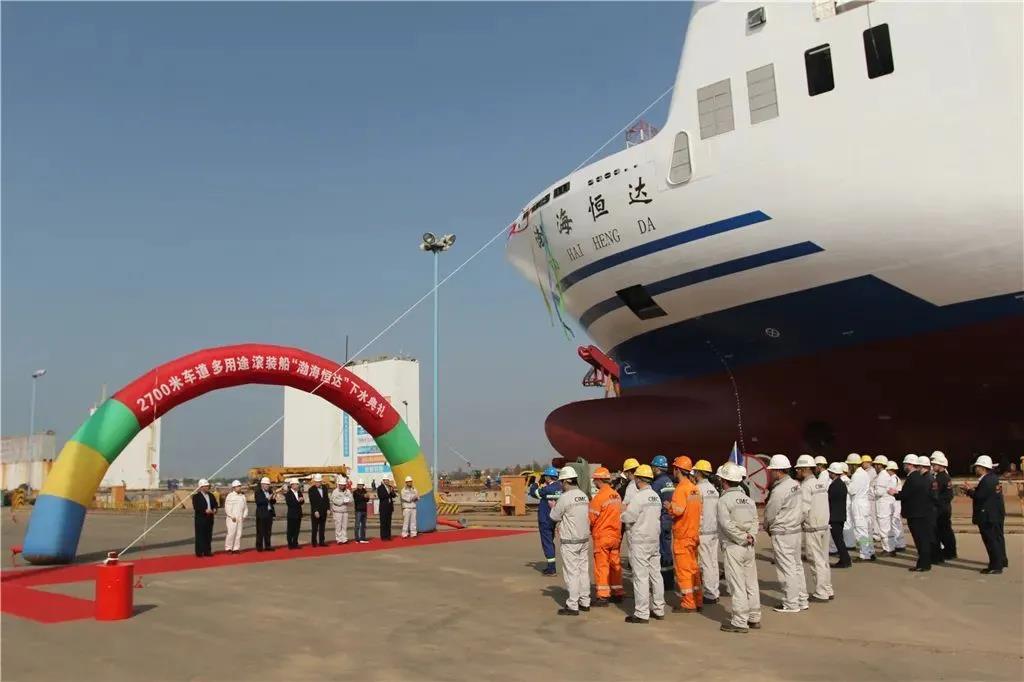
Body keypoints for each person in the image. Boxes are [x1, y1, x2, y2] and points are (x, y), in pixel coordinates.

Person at [716, 462, 761, 633]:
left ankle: (740, 621)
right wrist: (751, 536)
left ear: (724, 481)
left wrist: (741, 538)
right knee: (751, 582)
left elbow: (726, 525)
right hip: (749, 546)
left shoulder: (724, 500)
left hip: (734, 546)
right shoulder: (748, 500)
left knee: (737, 585)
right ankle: (754, 617)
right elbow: (755, 520)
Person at [621, 464, 665, 623]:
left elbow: (629, 517)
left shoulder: (638, 497)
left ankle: (641, 612)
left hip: (640, 541)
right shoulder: (655, 497)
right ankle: (659, 609)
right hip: (654, 540)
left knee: (641, 577)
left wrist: (622, 514)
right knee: (656, 575)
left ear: (638, 479)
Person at [764, 455, 808, 613]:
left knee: (786, 569)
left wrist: (767, 526)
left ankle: (791, 603)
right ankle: (802, 599)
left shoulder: (779, 490)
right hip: (795, 530)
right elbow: (803, 507)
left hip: (782, 532)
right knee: (796, 567)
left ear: (777, 471)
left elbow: (771, 512)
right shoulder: (795, 485)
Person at [550, 466, 592, 616]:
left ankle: (573, 604)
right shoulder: (583, 495)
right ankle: (585, 601)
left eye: (562, 482)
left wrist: (553, 506)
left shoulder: (565, 497)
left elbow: (554, 516)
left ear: (566, 481)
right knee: (583, 571)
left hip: (570, 540)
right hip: (584, 538)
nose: (561, 485)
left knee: (571, 573)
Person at [668, 456, 703, 612]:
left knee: (683, 571)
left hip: (683, 535)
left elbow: (678, 510)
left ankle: (688, 603)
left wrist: (669, 506)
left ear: (677, 470)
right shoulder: (695, 488)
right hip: (693, 534)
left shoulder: (681, 489)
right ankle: (698, 600)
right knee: (694, 569)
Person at [795, 455, 832, 602]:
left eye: (798, 469)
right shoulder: (820, 484)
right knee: (824, 560)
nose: (796, 471)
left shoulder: (805, 486)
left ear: (804, 469)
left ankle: (821, 592)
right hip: (824, 526)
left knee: (816, 561)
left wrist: (795, 523)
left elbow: (804, 509)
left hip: (813, 529)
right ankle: (828, 589)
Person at [962, 455, 1007, 574]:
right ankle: (1002, 560)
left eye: (977, 467)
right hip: (995, 514)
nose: (975, 469)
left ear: (982, 468)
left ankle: (996, 566)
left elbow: (979, 496)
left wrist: (969, 491)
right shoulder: (992, 478)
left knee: (991, 540)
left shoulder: (987, 480)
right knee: (998, 538)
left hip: (988, 516)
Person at [588, 467, 623, 606]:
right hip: (615, 536)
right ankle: (617, 592)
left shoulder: (599, 497)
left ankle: (603, 596)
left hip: (602, 536)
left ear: (598, 480)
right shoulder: (616, 495)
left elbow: (591, 518)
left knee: (602, 566)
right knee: (615, 565)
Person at [891, 455, 931, 571]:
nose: (904, 467)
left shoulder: (912, 478)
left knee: (920, 539)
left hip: (915, 513)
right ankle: (924, 563)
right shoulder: (920, 477)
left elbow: (905, 495)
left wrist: (894, 493)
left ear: (909, 465)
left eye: (905, 464)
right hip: (921, 512)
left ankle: (923, 564)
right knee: (922, 539)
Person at [693, 459, 721, 604]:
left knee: (705, 563)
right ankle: (715, 591)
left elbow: (696, 512)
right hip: (714, 530)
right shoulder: (714, 490)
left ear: (698, 473)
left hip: (703, 531)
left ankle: (709, 593)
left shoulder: (698, 489)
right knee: (713, 562)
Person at [528, 467, 561, 575]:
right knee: (550, 542)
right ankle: (551, 566)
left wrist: (536, 483)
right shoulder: (560, 487)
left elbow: (533, 493)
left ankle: (551, 569)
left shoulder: (547, 489)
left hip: (545, 519)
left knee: (547, 543)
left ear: (547, 477)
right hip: (554, 519)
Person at [650, 454, 676, 592]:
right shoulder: (669, 481)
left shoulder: (657, 484)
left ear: (657, 468)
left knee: (661, 551)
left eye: (653, 467)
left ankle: (665, 582)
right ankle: (670, 580)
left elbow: (652, 501)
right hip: (668, 519)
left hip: (661, 520)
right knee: (667, 550)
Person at [846, 453, 876, 562]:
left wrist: (847, 483)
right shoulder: (864, 473)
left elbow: (852, 490)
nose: (848, 467)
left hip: (858, 503)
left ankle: (864, 554)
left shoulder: (856, 475)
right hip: (865, 503)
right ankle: (870, 551)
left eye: (849, 465)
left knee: (860, 531)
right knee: (867, 530)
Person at [930, 451, 957, 560]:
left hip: (940, 509)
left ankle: (947, 552)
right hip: (945, 507)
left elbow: (935, 495)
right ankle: (950, 551)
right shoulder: (945, 476)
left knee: (942, 531)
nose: (932, 466)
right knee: (946, 531)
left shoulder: (940, 478)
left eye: (934, 464)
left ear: (940, 465)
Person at [871, 455, 897, 556]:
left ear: (879, 465)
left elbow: (879, 492)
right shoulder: (884, 475)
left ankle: (888, 549)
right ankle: (890, 548)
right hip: (885, 504)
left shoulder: (882, 476)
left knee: (884, 528)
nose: (874, 467)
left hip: (883, 505)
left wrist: (871, 490)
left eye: (876, 465)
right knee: (886, 527)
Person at [827, 463, 851, 568]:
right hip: (840, 516)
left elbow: (830, 501)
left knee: (838, 540)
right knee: (839, 539)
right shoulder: (841, 484)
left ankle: (845, 560)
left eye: (830, 472)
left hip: (835, 517)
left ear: (833, 473)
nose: (829, 473)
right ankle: (845, 559)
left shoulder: (835, 485)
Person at [192, 479, 218, 558]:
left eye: (208, 486)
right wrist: (204, 510)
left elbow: (215, 504)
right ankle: (199, 552)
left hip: (210, 518)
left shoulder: (211, 495)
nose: (208, 487)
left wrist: (215, 509)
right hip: (201, 519)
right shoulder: (196, 497)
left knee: (208, 535)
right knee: (200, 535)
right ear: (201, 487)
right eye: (206, 486)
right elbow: (196, 507)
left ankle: (207, 551)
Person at [223, 480, 248, 554]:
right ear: (234, 488)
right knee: (231, 533)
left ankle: (236, 548)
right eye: (238, 486)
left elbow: (245, 507)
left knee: (238, 533)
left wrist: (244, 516)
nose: (239, 488)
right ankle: (228, 548)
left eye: (240, 486)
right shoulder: (230, 496)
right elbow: (227, 507)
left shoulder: (242, 496)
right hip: (232, 518)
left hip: (240, 517)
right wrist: (231, 516)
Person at [887, 461, 907, 551]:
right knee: (896, 523)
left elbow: (889, 490)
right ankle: (899, 543)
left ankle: (899, 544)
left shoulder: (892, 479)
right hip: (896, 502)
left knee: (895, 523)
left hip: (895, 502)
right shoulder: (896, 478)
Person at [254, 477, 277, 552]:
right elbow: (259, 502)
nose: (268, 486)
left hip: (269, 513)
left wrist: (273, 498)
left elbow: (272, 502)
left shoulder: (269, 491)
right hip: (261, 514)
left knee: (268, 531)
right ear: (262, 484)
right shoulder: (258, 492)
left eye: (268, 484)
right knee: (260, 531)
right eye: (266, 484)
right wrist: (267, 498)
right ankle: (259, 547)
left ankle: (268, 546)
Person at [307, 474, 329, 547]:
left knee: (322, 527)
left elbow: (326, 499)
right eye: (316, 482)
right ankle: (314, 542)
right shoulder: (311, 490)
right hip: (316, 511)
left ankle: (322, 541)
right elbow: (312, 501)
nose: (317, 483)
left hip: (323, 511)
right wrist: (315, 511)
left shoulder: (325, 488)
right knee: (315, 528)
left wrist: (328, 508)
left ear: (321, 482)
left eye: (319, 482)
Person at [330, 476, 353, 544]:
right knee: (338, 525)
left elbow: (351, 499)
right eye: (341, 485)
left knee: (344, 525)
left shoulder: (347, 491)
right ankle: (339, 539)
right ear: (338, 484)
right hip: (337, 511)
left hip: (345, 511)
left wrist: (348, 500)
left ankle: (344, 538)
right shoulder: (335, 491)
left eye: (343, 485)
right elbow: (334, 500)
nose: (342, 486)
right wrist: (343, 501)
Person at [285, 478, 304, 549]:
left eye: (298, 484)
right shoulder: (288, 494)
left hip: (298, 514)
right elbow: (290, 504)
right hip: (292, 515)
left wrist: (301, 500)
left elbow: (302, 501)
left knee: (297, 530)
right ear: (292, 485)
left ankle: (295, 543)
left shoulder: (299, 492)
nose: (298, 486)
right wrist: (298, 501)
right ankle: (290, 544)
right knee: (290, 530)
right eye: (297, 484)